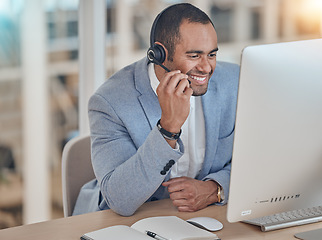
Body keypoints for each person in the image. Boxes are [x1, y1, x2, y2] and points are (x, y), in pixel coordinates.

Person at [73, 3, 239, 216]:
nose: (206, 68)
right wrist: (168, 129)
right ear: (160, 54)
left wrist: (215, 188)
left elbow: (261, 157)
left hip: (201, 215)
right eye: (194, 56)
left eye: (212, 55)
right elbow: (120, 199)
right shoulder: (109, 103)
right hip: (127, 221)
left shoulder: (234, 82)